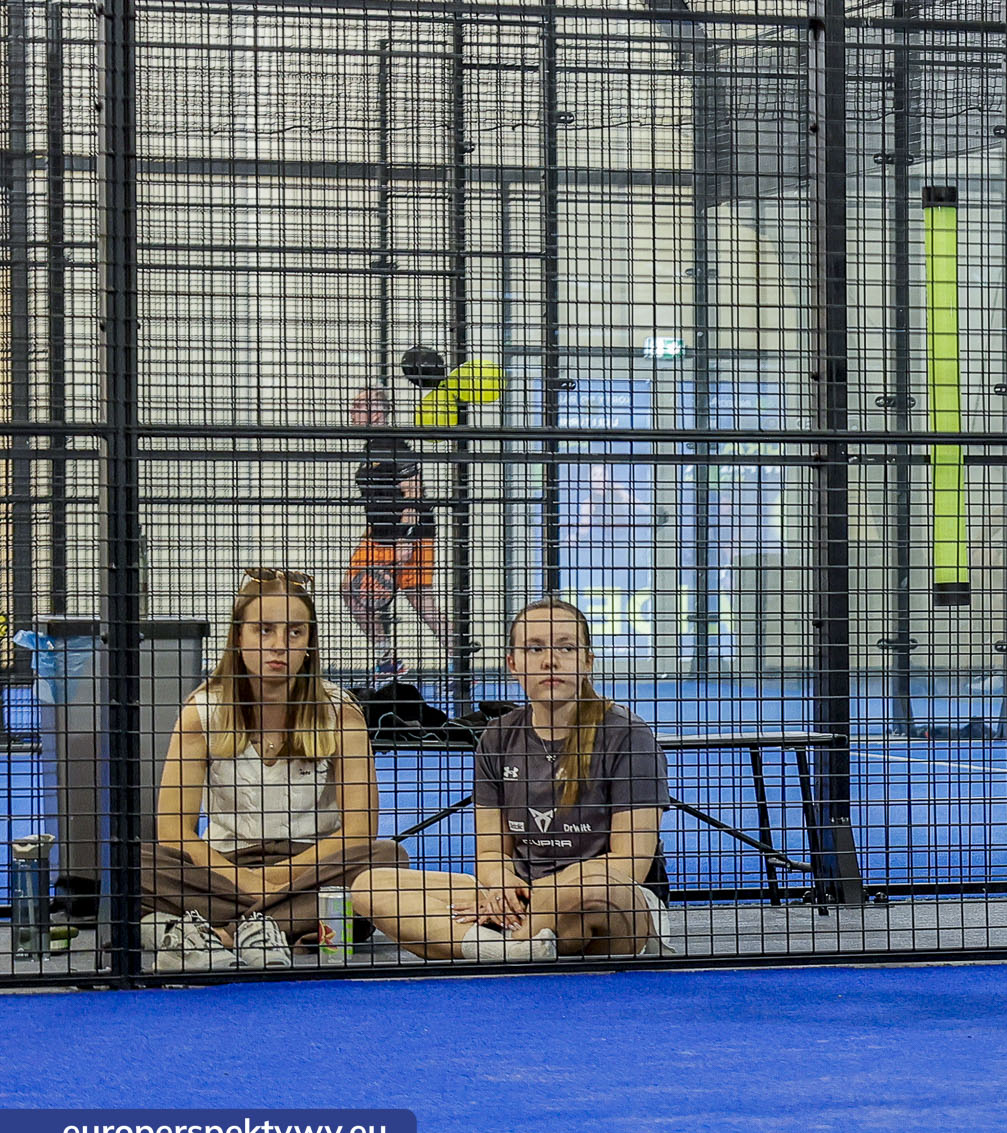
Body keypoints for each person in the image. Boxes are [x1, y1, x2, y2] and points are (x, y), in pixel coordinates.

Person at [349, 599, 668, 962]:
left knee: (592, 891)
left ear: (587, 662)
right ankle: (506, 947)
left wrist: (542, 892)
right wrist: (499, 882)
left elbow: (631, 864)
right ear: (513, 665)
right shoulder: (497, 737)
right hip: (521, 897)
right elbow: (490, 852)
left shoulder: (627, 736)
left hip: (611, 902)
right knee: (371, 885)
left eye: (566, 647)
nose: (551, 659)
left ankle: (487, 939)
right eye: (535, 648)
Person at [142, 567, 407, 972]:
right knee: (128, 864)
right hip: (226, 865)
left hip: (316, 863)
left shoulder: (342, 711)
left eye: (295, 632)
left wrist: (282, 873)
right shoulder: (200, 712)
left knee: (388, 860)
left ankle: (218, 932)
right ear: (238, 637)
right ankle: (281, 925)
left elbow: (360, 828)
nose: (279, 645)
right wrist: (244, 879)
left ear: (310, 642)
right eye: (264, 630)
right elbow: (173, 831)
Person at [344, 387, 468, 676]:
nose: (352, 413)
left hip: (408, 534)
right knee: (350, 590)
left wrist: (405, 538)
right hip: (377, 535)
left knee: (422, 602)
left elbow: (413, 492)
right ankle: (388, 659)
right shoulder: (371, 447)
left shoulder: (392, 443)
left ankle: (461, 665)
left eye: (359, 407)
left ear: (377, 413)